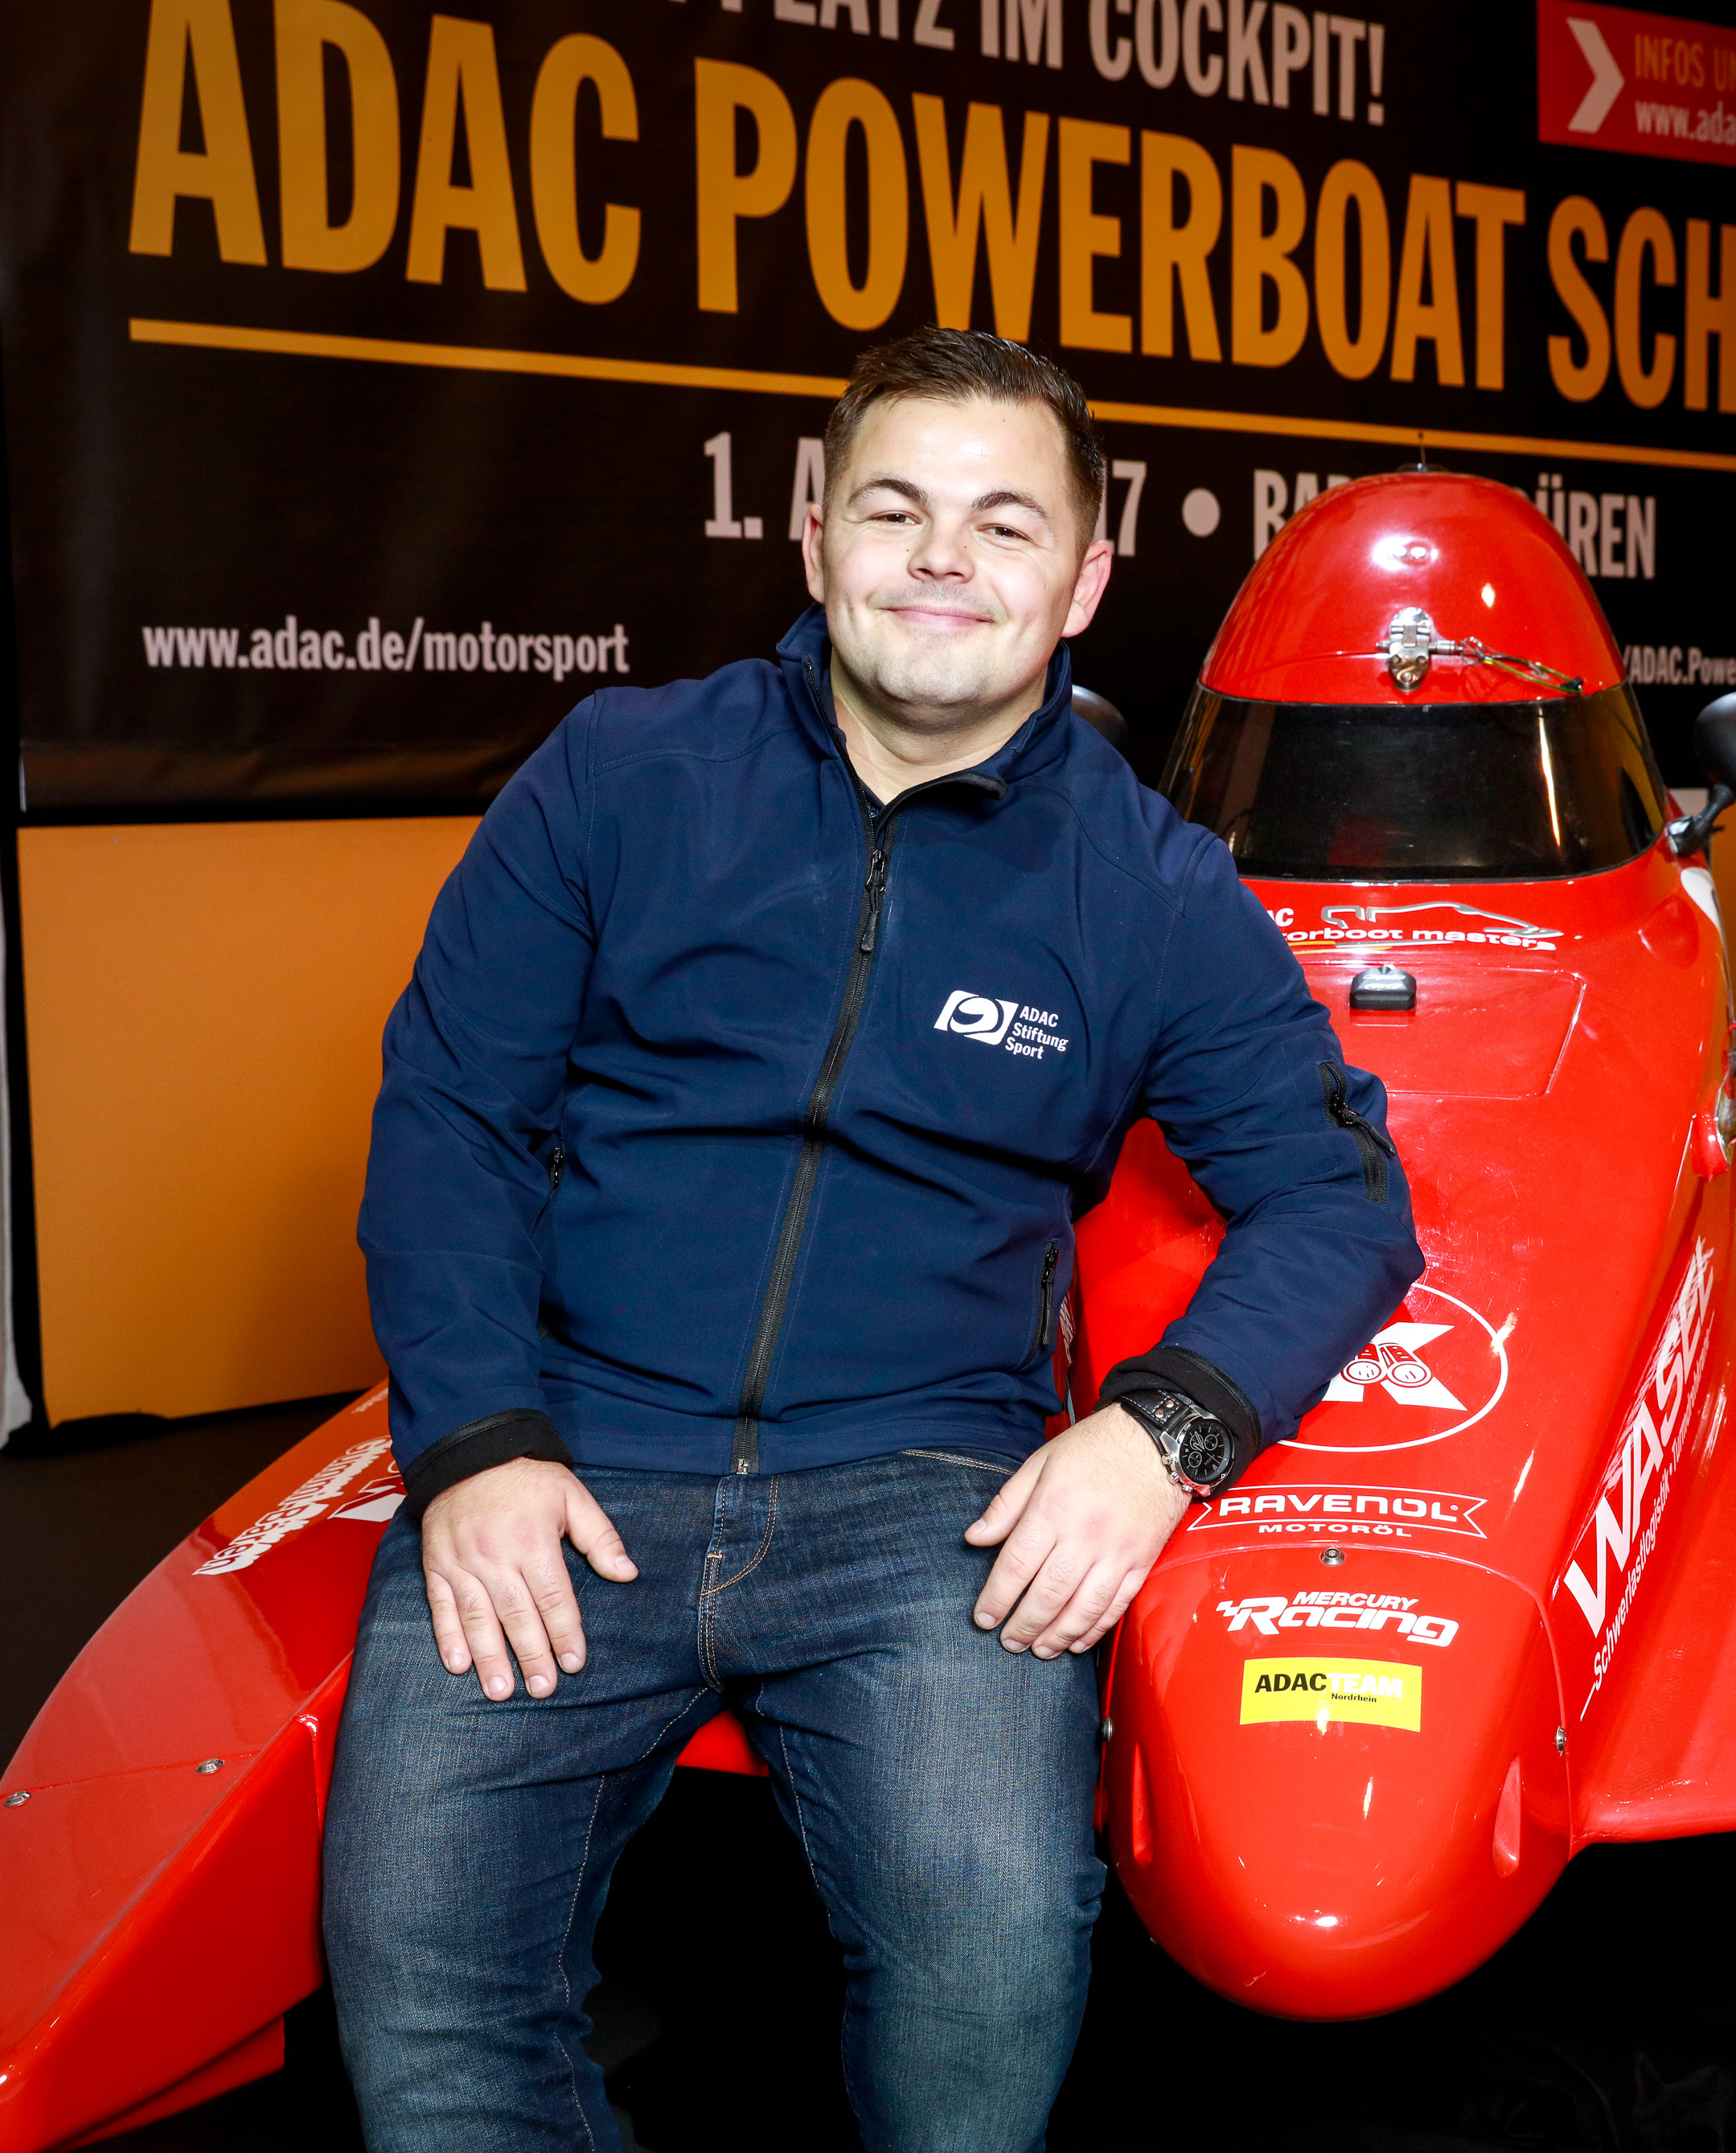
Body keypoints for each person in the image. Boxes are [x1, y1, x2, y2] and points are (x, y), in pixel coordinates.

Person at [323, 327, 1424, 2151]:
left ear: (1084, 580)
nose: (942, 559)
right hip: (570, 1455)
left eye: (1004, 524)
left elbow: (1338, 1194)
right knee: (424, 1992)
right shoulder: (618, 775)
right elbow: (451, 1111)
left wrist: (1164, 1433)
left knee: (990, 1971)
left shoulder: (1153, 888)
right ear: (817, 532)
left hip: (926, 1500)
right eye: (895, 508)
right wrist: (477, 1439)